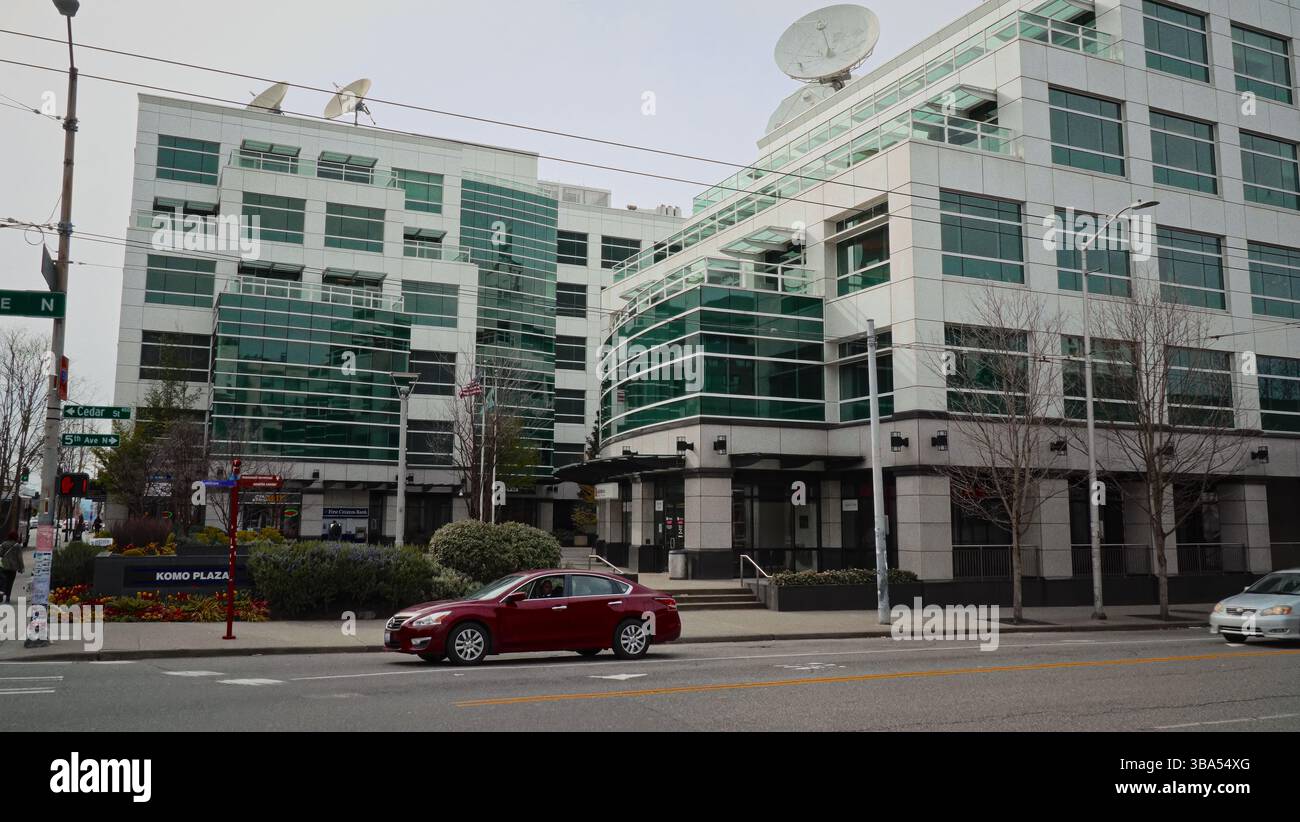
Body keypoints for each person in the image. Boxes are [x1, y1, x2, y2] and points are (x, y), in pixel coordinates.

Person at [0, 531, 24, 604]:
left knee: (2, 581)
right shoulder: (17, 546)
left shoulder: (4, 544)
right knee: (10, 582)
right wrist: (21, 568)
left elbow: (0, 554)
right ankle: (8, 598)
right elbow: (19, 558)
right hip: (13, 568)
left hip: (3, 566)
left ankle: (1, 594)